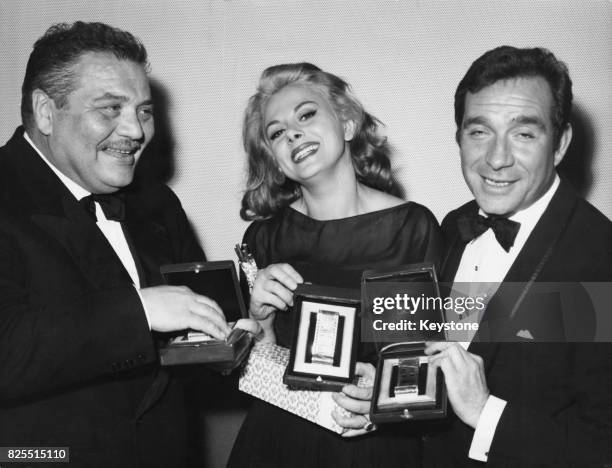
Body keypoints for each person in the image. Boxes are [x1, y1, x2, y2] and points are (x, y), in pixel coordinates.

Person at [338, 46, 612, 467]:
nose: (497, 159)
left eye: (523, 134)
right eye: (479, 132)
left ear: (560, 145)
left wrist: (487, 413)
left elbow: (601, 445)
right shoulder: (454, 225)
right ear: (459, 139)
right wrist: (388, 392)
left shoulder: (599, 258)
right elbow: (436, 354)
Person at [0, 21, 232, 467]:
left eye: (144, 111)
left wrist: (242, 326)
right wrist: (140, 312)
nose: (136, 130)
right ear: (46, 112)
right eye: (110, 109)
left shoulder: (158, 202)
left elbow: (194, 356)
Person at [228, 62, 444, 467]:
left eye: (306, 115)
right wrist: (263, 322)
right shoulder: (263, 239)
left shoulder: (412, 228)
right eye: (276, 132)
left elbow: (422, 363)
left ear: (346, 124)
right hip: (278, 440)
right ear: (275, 159)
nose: (292, 133)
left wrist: (378, 405)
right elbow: (254, 375)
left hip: (376, 445)